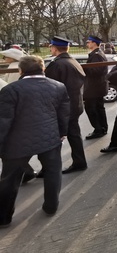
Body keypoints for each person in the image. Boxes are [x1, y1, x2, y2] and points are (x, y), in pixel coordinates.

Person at [0, 55, 69, 226]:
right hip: (50, 137)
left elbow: (3, 121)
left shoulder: (11, 90)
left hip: (17, 142)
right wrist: (62, 133)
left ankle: (3, 217)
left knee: (9, 179)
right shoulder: (58, 87)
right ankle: (51, 206)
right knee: (53, 172)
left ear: (20, 70)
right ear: (43, 68)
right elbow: (64, 113)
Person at [45, 36, 87, 174]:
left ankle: (49, 168)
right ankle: (79, 161)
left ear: (55, 48)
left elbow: (49, 87)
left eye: (51, 47)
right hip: (75, 104)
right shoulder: (72, 61)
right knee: (74, 134)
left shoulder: (57, 64)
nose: (50, 49)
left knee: (54, 137)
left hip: (63, 107)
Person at [83, 35, 109, 140]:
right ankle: (102, 128)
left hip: (94, 88)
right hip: (97, 87)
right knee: (99, 108)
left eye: (89, 42)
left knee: (91, 109)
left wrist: (84, 69)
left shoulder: (96, 55)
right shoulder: (97, 54)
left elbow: (97, 71)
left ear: (94, 43)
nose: (87, 44)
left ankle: (98, 129)